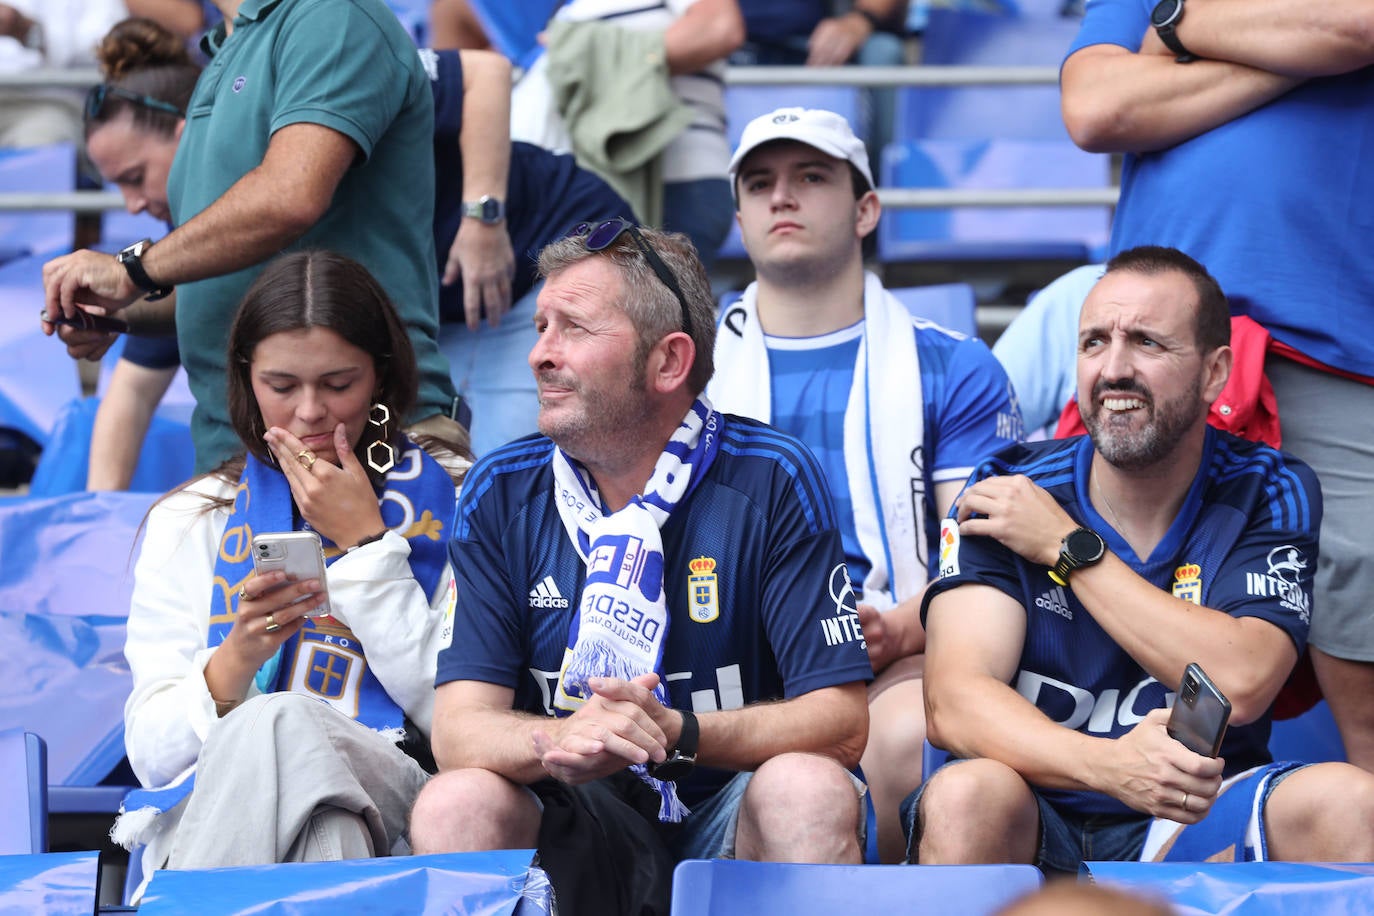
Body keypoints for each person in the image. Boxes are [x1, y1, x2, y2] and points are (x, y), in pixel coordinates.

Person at [408, 223, 874, 913]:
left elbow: (840, 721)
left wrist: (676, 735)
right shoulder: (499, 491)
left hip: (730, 810)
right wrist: (566, 736)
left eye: (573, 328)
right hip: (576, 816)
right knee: (456, 801)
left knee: (807, 788)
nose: (539, 354)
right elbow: (458, 731)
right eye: (540, 327)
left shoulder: (772, 478)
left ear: (668, 363)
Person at [909, 246, 1374, 872]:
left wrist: (1069, 549)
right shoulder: (1011, 486)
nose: (1114, 369)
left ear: (1214, 373)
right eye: (1094, 342)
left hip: (1195, 812)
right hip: (1036, 806)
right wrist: (1111, 767)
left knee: (1353, 805)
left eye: (1148, 344)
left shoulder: (1267, 486)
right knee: (966, 795)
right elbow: (953, 701)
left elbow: (1241, 682)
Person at [1059, 0, 1374, 770]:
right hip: (1151, 344)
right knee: (1102, 606)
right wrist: (1295, 60)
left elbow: (1356, 28)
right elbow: (1097, 107)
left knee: (1362, 608)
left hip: (1334, 350)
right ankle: (1118, 862)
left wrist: (1176, 31)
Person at [708, 106, 1023, 862]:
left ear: (866, 209)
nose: (782, 196)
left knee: (913, 734)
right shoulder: (684, 369)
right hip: (725, 664)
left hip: (894, 658)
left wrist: (908, 625)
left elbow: (981, 552)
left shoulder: (955, 366)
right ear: (741, 220)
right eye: (760, 183)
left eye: (811, 177)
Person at [113, 250, 469, 902]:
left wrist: (364, 546)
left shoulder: (459, 498)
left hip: (407, 797)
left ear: (382, 380)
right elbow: (152, 755)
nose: (309, 412)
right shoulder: (191, 519)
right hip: (240, 814)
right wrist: (238, 658)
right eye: (282, 386)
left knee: (284, 724)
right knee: (324, 822)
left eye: (338, 385)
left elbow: (457, 717)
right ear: (245, 380)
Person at [40, 0, 464, 474]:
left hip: (367, 450)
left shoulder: (332, 15)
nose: (132, 202)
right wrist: (119, 312)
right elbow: (224, 290)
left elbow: (291, 195)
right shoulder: (226, 49)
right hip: (241, 461)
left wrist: (132, 270)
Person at [508, 0, 744, 271]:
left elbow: (719, 28)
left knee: (668, 309)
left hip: (679, 184)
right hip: (600, 183)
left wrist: (587, 56)